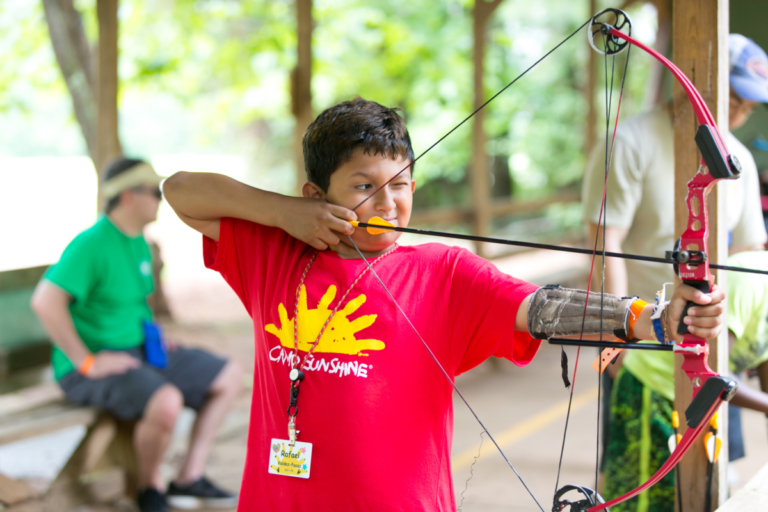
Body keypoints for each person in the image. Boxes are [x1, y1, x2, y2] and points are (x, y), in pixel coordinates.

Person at [162, 97, 726, 511]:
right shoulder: (278, 252)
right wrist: (283, 212)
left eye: (401, 184)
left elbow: (540, 308)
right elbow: (180, 190)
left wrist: (654, 318)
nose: (389, 201)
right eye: (363, 186)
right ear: (318, 195)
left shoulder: (443, 272)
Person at [582, 34, 768, 511]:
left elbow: (747, 260)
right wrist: (615, 340)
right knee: (637, 481)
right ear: (698, 83)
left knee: (715, 474)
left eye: (748, 105)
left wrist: (740, 356)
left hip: (710, 345)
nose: (738, 114)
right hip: (640, 339)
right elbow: (607, 245)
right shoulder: (629, 140)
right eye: (730, 98)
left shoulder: (739, 160)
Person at [30, 158, 244, 512]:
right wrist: (86, 361)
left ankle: (188, 477)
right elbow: (45, 301)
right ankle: (150, 489)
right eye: (155, 192)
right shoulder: (91, 244)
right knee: (167, 401)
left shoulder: (138, 242)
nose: (162, 200)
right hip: (85, 367)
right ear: (128, 196)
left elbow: (132, 305)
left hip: (138, 350)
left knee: (229, 375)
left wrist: (155, 339)